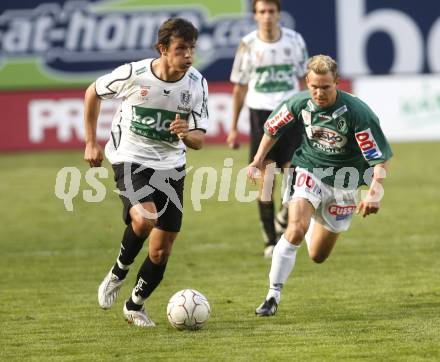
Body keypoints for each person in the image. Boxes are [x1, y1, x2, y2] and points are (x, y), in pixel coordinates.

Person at [83, 18, 208, 327]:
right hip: (130, 157)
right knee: (145, 218)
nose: (188, 56)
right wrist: (91, 142)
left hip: (171, 166)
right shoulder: (134, 74)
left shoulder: (196, 83)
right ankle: (118, 271)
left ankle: (135, 305)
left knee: (161, 250)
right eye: (181, 49)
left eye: (192, 48)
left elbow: (200, 140)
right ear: (162, 49)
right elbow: (92, 92)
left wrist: (185, 134)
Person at [248, 54, 393, 316]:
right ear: (307, 82)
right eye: (314, 86)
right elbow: (272, 128)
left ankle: (313, 215)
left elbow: (380, 159)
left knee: (317, 255)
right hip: (308, 169)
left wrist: (374, 193)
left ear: (337, 82)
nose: (319, 92)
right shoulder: (299, 102)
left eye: (325, 87)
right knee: (294, 230)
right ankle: (272, 296)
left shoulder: (357, 113)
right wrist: (258, 160)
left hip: (343, 183)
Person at [227, 0, 309, 258]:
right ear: (255, 16)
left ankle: (283, 217)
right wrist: (232, 128)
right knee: (267, 180)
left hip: (290, 111)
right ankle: (270, 241)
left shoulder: (294, 41)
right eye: (262, 12)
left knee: (294, 176)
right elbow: (239, 87)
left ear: (278, 14)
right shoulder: (248, 45)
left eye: (271, 11)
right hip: (260, 114)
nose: (267, 16)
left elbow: (306, 80)